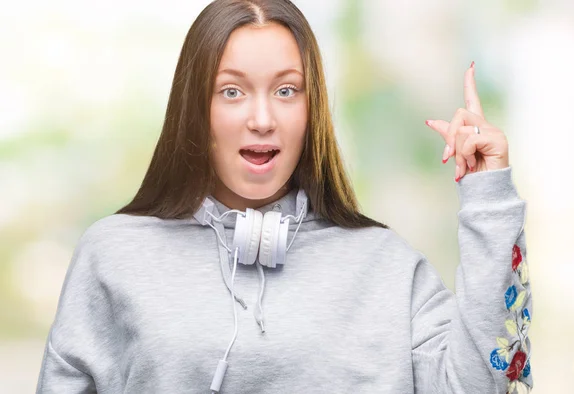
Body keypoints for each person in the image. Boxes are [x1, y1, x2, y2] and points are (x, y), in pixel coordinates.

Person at [35, 0, 533, 393]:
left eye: (287, 90)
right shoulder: (114, 255)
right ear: (194, 108)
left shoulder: (387, 266)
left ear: (311, 109)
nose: (262, 118)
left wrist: (488, 197)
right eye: (231, 91)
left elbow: (490, 385)